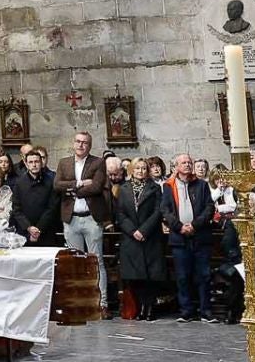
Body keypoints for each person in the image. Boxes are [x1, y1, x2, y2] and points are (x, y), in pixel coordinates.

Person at [45, 131, 109, 302]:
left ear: (89, 145)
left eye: (85, 142)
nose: (81, 145)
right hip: (71, 218)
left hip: (91, 218)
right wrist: (80, 183)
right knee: (76, 263)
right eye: (78, 141)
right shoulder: (64, 163)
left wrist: (72, 190)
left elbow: (96, 187)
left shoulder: (98, 162)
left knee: (96, 261)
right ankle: (81, 302)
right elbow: (57, 185)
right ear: (73, 143)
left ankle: (101, 302)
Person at [163, 154, 217, 321]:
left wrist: (195, 225)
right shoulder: (168, 186)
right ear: (176, 167)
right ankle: (186, 310)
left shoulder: (201, 185)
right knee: (182, 276)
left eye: (189, 162)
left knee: (204, 275)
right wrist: (180, 227)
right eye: (184, 163)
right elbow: (165, 210)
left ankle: (205, 310)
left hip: (200, 236)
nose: (187, 165)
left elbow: (209, 207)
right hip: (179, 238)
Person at [115, 155, 169, 320]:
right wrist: (133, 231)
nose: (141, 171)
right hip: (131, 238)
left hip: (150, 237)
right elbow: (120, 214)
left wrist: (144, 231)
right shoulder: (123, 189)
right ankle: (139, 307)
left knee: (150, 276)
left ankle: (149, 307)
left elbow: (157, 211)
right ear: (132, 170)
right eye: (137, 168)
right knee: (135, 276)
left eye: (144, 168)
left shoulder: (154, 188)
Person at [10, 146, 57, 243]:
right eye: (31, 162)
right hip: (25, 231)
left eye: (36, 162)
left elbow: (52, 207)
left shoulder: (51, 181)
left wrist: (39, 229)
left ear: (41, 163)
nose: (34, 165)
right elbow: (16, 208)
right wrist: (29, 227)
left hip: (46, 230)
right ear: (26, 164)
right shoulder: (19, 183)